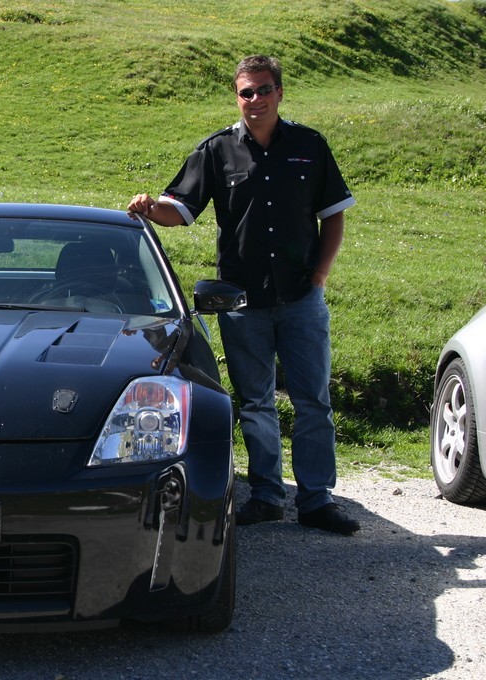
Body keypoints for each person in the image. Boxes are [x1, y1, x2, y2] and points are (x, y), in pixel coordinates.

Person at [127, 55, 360, 535]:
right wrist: (151, 208)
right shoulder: (217, 150)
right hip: (242, 304)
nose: (256, 99)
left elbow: (334, 213)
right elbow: (181, 209)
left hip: (301, 298)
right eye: (246, 92)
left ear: (280, 92)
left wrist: (321, 273)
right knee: (255, 402)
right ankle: (268, 496)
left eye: (264, 89)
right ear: (237, 97)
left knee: (313, 401)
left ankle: (316, 500)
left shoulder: (310, 146)